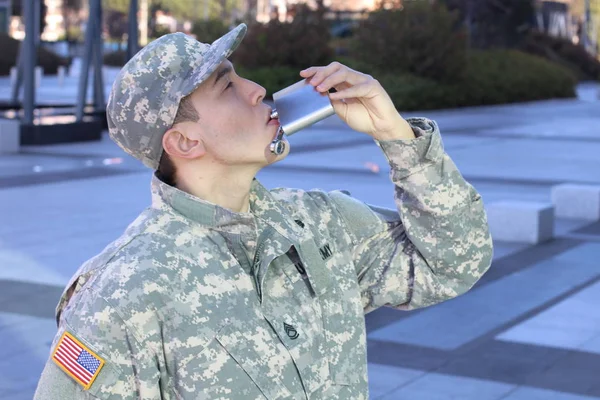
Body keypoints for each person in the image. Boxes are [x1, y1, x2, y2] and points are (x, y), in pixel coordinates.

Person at [34, 23, 493, 399]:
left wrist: (396, 135)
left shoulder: (320, 223)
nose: (257, 90)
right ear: (185, 142)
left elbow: (452, 262)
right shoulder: (123, 291)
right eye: (226, 86)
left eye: (241, 75)